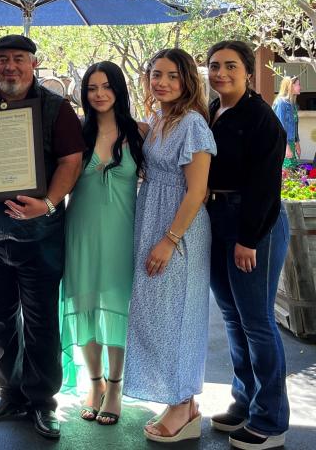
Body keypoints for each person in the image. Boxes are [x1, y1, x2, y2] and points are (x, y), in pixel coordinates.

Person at [0, 35, 84, 440]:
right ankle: (9, 392)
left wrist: (49, 203)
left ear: (34, 63)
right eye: (2, 59)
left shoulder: (55, 107)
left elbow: (72, 160)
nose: (10, 67)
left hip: (39, 235)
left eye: (18, 59)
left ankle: (41, 401)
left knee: (40, 322)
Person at [123, 48, 216, 443]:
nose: (162, 82)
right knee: (156, 316)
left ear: (187, 81)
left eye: (172, 76)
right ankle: (186, 404)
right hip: (154, 220)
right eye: (156, 74)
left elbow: (197, 191)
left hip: (179, 230)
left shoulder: (193, 124)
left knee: (177, 318)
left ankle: (181, 406)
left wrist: (169, 240)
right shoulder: (160, 117)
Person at [206, 40, 290, 450]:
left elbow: (265, 187)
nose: (221, 73)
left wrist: (248, 239)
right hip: (218, 220)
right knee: (233, 317)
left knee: (257, 321)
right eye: (215, 66)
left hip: (255, 226)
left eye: (230, 66)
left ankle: (271, 420)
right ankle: (245, 401)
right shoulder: (211, 111)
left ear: (248, 72)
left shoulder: (261, 119)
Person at [61, 61, 147, 426]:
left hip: (121, 235)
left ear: (119, 89)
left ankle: (115, 387)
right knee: (84, 307)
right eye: (92, 87)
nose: (99, 94)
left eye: (106, 86)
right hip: (79, 232)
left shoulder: (141, 133)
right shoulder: (74, 136)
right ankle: (93, 383)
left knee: (115, 309)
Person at [272, 76, 301, 169]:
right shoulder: (281, 103)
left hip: (291, 143)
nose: (300, 87)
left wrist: (297, 142)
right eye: (298, 84)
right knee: (285, 173)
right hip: (283, 144)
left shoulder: (292, 104)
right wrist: (286, 147)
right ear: (290, 86)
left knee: (291, 172)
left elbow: (294, 125)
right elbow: (279, 127)